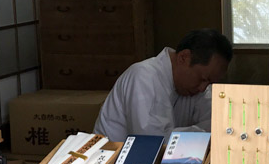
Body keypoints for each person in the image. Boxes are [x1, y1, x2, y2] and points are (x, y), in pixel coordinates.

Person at [94, 29, 232, 141]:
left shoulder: (196, 87)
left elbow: (217, 123)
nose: (203, 88)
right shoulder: (144, 76)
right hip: (114, 161)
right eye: (202, 79)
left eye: (209, 83)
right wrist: (201, 133)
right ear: (184, 57)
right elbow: (152, 142)